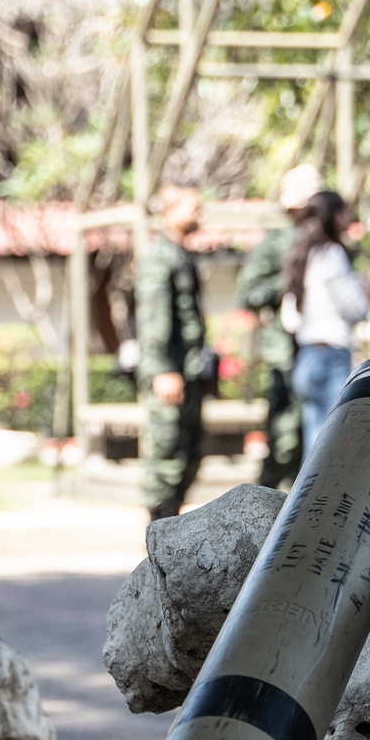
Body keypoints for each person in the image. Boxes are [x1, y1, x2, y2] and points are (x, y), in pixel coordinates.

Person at [234, 164, 323, 489]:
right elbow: (247, 293)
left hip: (318, 350)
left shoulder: (324, 241)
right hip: (284, 353)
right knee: (284, 437)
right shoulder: (275, 244)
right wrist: (287, 283)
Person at [284, 190, 370, 458]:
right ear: (332, 217)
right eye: (343, 212)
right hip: (330, 357)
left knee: (314, 444)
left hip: (306, 356)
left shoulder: (303, 254)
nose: (348, 218)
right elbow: (356, 309)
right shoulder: (332, 253)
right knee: (330, 449)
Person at [135, 185, 208, 521]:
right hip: (170, 373)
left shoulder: (181, 254)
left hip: (188, 372)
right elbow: (153, 320)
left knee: (188, 456)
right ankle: (157, 535)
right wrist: (162, 370)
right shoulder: (159, 257)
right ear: (168, 213)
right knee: (165, 459)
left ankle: (170, 530)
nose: (198, 214)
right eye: (192, 208)